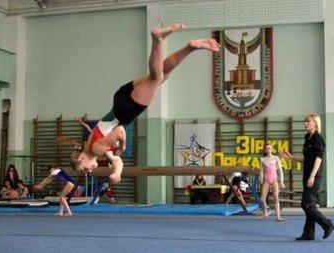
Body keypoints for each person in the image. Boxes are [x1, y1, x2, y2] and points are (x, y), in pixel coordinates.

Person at [69, 24, 221, 183]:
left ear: (82, 158)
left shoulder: (96, 149)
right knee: (161, 74)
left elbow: (120, 130)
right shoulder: (94, 146)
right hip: (121, 98)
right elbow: (117, 160)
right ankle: (190, 47)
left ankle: (158, 39)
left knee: (157, 77)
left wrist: (122, 147)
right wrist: (117, 173)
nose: (91, 169)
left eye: (85, 168)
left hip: (125, 111)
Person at [280, 113, 334, 240]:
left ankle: (327, 224)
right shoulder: (308, 138)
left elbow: (318, 158)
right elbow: (307, 159)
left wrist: (312, 176)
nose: (305, 123)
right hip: (307, 174)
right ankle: (309, 233)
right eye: (305, 121)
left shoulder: (318, 138)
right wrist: (291, 157)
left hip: (314, 176)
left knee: (306, 204)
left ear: (315, 123)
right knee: (311, 204)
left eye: (308, 121)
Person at [258, 142, 285, 221]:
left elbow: (280, 170)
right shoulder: (262, 159)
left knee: (276, 197)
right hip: (266, 180)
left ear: (272, 149)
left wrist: (281, 181)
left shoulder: (276, 158)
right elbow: (261, 171)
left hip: (274, 179)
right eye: (267, 149)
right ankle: (265, 213)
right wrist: (261, 179)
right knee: (262, 199)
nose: (268, 150)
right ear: (264, 150)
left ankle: (278, 216)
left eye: (270, 148)